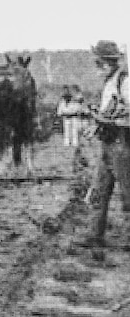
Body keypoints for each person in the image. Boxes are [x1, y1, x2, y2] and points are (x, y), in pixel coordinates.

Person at [78, 40, 130, 247]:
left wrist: (109, 120)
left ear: (106, 63)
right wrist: (97, 121)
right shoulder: (110, 83)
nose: (97, 68)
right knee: (99, 189)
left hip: (122, 142)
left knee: (127, 191)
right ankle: (94, 235)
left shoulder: (125, 82)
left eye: (98, 63)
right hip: (107, 142)